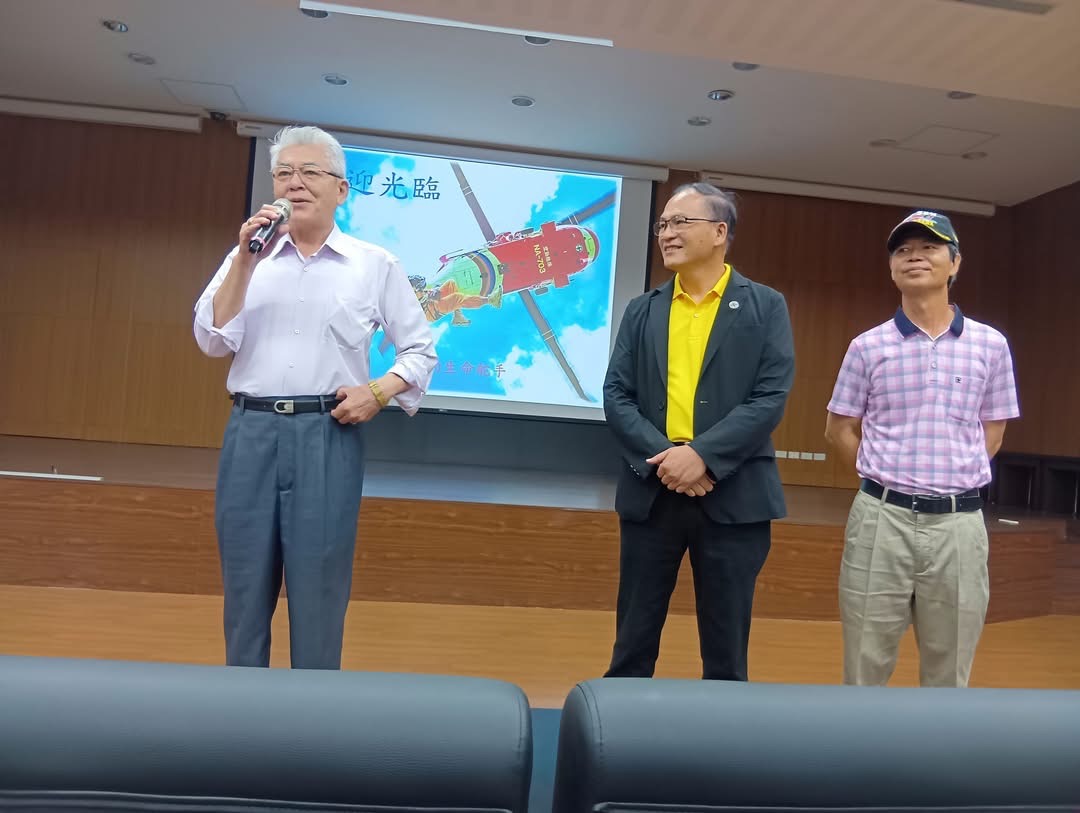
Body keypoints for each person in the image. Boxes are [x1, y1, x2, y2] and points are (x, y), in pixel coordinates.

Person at [193, 125, 437, 669]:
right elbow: (211, 340)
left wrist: (378, 392)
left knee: (319, 592)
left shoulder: (374, 265)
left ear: (341, 190)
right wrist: (244, 261)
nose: (294, 184)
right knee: (244, 587)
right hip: (251, 432)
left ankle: (314, 711)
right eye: (284, 173)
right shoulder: (246, 258)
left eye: (309, 172)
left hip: (327, 435)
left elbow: (420, 352)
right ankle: (242, 705)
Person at [603, 182, 795, 681]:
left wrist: (703, 455)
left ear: (719, 232)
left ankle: (724, 729)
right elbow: (616, 394)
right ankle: (619, 724)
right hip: (653, 489)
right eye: (662, 224)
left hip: (733, 494)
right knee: (633, 641)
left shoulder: (765, 305)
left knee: (726, 648)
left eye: (680, 222)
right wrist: (668, 458)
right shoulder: (642, 309)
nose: (666, 233)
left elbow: (770, 397)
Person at [825, 210, 1019, 687]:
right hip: (880, 520)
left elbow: (993, 432)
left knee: (949, 669)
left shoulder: (991, 346)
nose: (914, 257)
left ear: (955, 263)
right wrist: (883, 481)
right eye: (903, 250)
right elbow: (839, 429)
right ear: (892, 268)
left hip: (958, 524)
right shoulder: (867, 346)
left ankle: (939, 741)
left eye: (929, 248)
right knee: (865, 663)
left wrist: (951, 478)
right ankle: (861, 739)